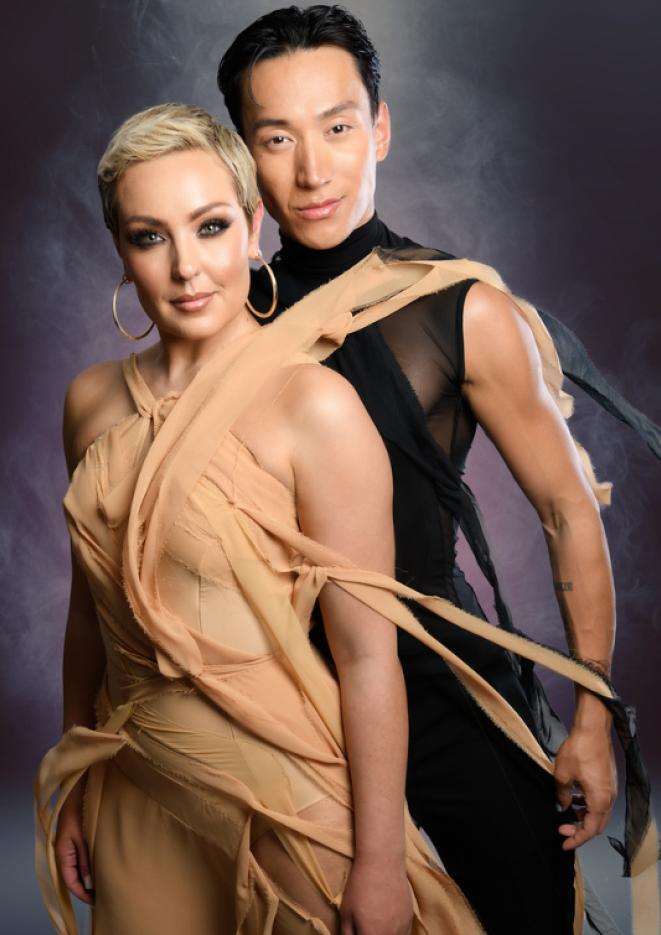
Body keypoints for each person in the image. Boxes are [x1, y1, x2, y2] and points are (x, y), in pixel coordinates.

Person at [33, 103, 654, 935]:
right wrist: (80, 776)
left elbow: (368, 658)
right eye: (150, 237)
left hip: (286, 795)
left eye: (211, 226)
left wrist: (374, 863)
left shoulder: (315, 405)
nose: (187, 267)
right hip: (138, 790)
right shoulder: (90, 402)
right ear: (119, 248)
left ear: (253, 226)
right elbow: (91, 610)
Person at [216, 7, 661, 934]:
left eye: (338, 128)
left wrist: (589, 717)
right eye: (276, 137)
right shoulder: (218, 314)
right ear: (243, 153)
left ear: (378, 127)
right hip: (267, 685)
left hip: (435, 674)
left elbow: (565, 509)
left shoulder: (459, 306)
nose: (312, 168)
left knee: (524, 908)